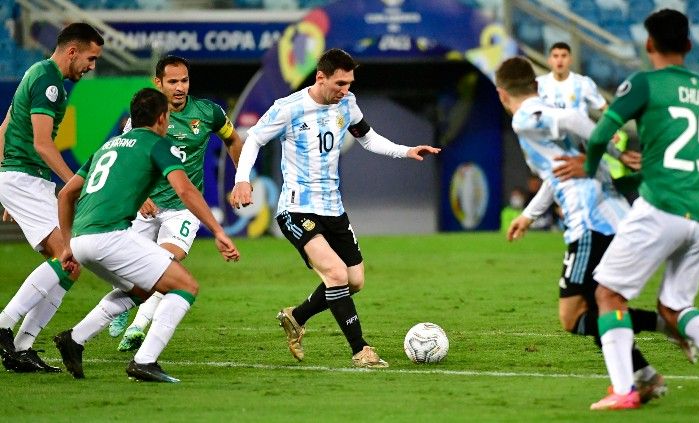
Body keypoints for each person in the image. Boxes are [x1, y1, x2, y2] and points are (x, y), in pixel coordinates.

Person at [230, 48, 440, 368]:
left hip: (333, 208)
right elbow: (255, 139)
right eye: (340, 83)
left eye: (350, 83)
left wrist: (406, 150)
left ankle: (297, 316)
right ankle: (361, 350)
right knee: (336, 274)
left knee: (354, 280)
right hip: (297, 208)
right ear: (320, 77)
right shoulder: (289, 109)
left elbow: (367, 138)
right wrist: (242, 180)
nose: (346, 90)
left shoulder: (347, 104)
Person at [584, 9, 699, 410]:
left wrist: (589, 173)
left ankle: (624, 391)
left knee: (608, 295)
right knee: (675, 305)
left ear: (649, 44)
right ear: (689, 46)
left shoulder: (644, 83)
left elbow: (602, 133)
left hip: (661, 207)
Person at [496, 56, 681, 403]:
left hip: (589, 221)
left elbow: (574, 118)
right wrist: (530, 216)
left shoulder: (525, 118)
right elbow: (560, 171)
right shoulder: (543, 118)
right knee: (600, 307)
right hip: (610, 216)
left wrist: (615, 151)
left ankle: (668, 326)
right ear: (536, 85)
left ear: (501, 94)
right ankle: (646, 376)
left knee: (572, 317)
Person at [53, 87, 240, 382]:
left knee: (140, 289)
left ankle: (74, 338)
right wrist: (218, 231)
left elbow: (65, 195)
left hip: (80, 240)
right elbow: (185, 189)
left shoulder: (108, 146)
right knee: (185, 285)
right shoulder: (155, 144)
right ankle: (145, 360)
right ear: (162, 118)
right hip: (110, 236)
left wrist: (66, 246)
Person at [105, 55, 243, 353]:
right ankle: (122, 305)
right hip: (147, 205)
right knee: (127, 268)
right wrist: (140, 195)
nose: (180, 87)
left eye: (184, 81)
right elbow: (126, 157)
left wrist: (240, 179)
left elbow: (234, 140)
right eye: (173, 82)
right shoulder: (145, 116)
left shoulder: (208, 112)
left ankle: (138, 326)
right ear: (158, 83)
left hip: (183, 207)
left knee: (164, 264)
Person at [0, 23, 104, 373]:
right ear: (72, 51)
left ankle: (22, 346)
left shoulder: (37, 73)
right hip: (26, 178)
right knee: (67, 258)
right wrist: (75, 183)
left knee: (69, 267)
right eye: (90, 58)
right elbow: (43, 144)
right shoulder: (49, 82)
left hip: (21, 179)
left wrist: (5, 191)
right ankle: (4, 324)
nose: (91, 66)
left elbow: (3, 129)